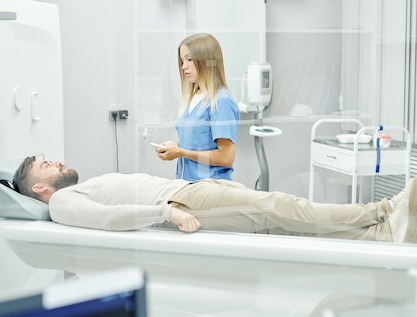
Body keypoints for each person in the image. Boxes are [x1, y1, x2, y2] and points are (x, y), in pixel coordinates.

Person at [12, 155, 415, 244]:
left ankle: (379, 235)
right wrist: (164, 212)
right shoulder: (61, 204)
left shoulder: (68, 194)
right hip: (184, 202)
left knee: (281, 220)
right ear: (38, 189)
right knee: (280, 209)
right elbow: (107, 219)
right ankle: (381, 212)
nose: (56, 161)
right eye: (46, 165)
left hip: (188, 195)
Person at [155, 33, 240, 181]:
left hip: (211, 187)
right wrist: (176, 147)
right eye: (182, 61)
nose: (183, 66)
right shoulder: (193, 98)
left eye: (189, 59)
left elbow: (226, 157)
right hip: (188, 185)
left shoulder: (221, 101)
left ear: (207, 61)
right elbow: (201, 142)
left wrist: (181, 152)